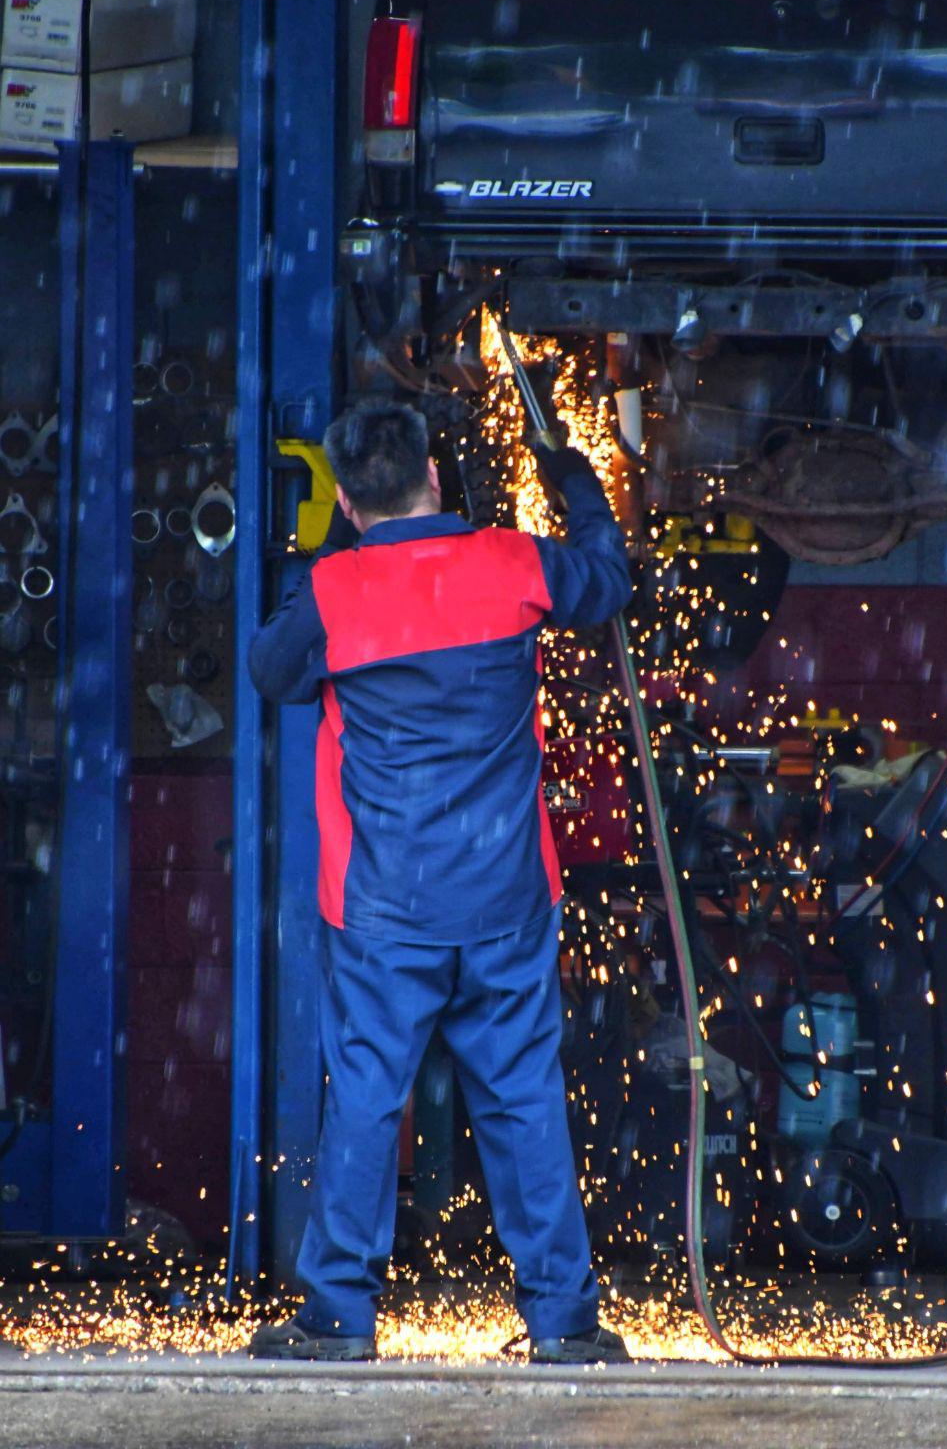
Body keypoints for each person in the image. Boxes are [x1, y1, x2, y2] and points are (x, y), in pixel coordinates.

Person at [247, 398, 633, 1363]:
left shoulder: (335, 591)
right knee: (522, 1101)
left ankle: (338, 1317)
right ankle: (564, 1324)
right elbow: (607, 580)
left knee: (371, 1099)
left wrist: (336, 560)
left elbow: (270, 671)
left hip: (384, 907)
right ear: (431, 466)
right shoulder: (513, 562)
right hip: (505, 900)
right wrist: (574, 484)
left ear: (345, 496)